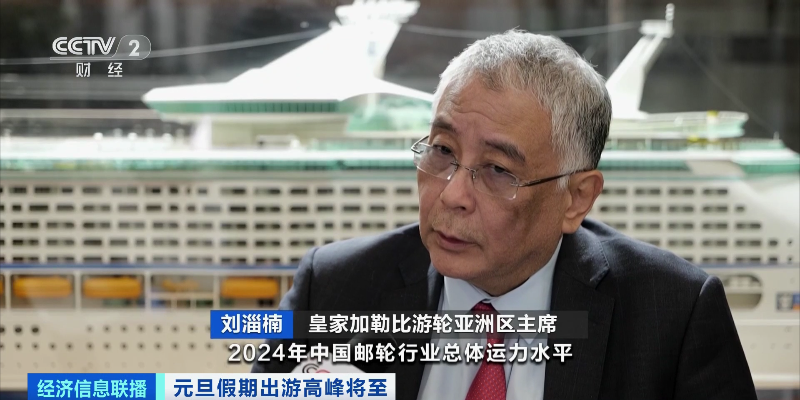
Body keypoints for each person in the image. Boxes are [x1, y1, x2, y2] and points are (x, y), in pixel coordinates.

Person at [252, 30, 757, 400]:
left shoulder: (673, 315)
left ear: (576, 198)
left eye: (497, 170)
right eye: (442, 151)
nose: (452, 195)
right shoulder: (335, 288)